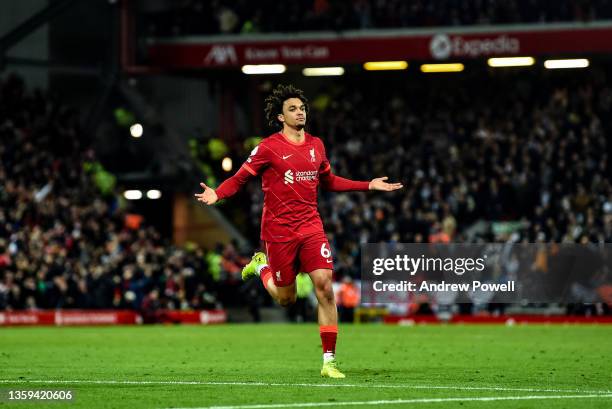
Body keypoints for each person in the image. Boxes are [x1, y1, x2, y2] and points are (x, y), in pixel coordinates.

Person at [195, 84, 402, 378]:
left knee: (324, 287)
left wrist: (367, 184)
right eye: (292, 108)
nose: (299, 112)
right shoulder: (268, 147)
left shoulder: (316, 145)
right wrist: (218, 193)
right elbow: (240, 178)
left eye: (302, 108)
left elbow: (329, 181)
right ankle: (261, 266)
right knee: (285, 298)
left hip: (310, 226)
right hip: (278, 231)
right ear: (280, 117)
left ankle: (328, 361)